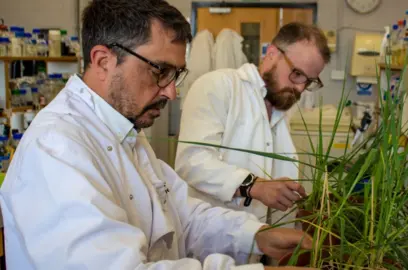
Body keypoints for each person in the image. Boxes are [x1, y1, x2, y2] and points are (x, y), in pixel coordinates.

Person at [0, 1, 314, 269]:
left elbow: (181, 214)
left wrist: (255, 236)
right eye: (159, 71)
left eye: (176, 74)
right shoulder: (56, 149)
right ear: (103, 61)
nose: (172, 92)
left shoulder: (126, 132)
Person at [175, 23, 331, 225]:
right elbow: (192, 161)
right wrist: (255, 186)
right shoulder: (217, 86)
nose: (300, 88)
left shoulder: (282, 106)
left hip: (266, 238)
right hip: (212, 239)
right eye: (297, 74)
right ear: (272, 53)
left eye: (309, 81)